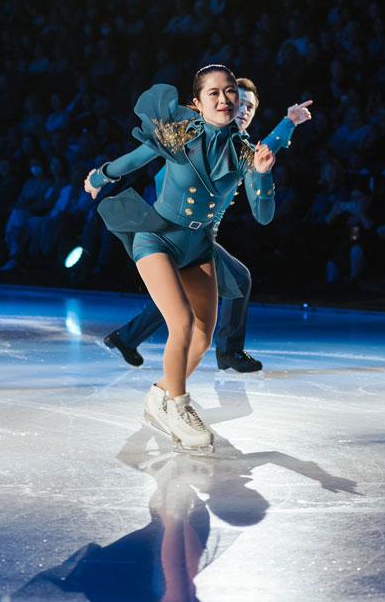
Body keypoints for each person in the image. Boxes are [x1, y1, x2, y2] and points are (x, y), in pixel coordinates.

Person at [84, 66, 278, 453]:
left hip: (199, 246)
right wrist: (100, 175)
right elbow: (136, 158)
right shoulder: (178, 133)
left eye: (230, 93)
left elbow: (263, 214)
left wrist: (263, 175)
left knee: (204, 335)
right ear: (197, 102)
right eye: (214, 94)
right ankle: (178, 406)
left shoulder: (245, 152)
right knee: (183, 322)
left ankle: (159, 396)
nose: (225, 100)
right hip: (157, 235)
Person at [102, 77, 312, 373]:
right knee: (227, 283)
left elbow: (262, 154)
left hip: (201, 235)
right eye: (238, 101)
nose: (242, 110)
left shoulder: (243, 150)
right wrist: (102, 175)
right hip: (170, 229)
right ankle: (225, 352)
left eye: (249, 106)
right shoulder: (190, 135)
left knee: (204, 288)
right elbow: (143, 158)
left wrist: (289, 122)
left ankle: (128, 338)